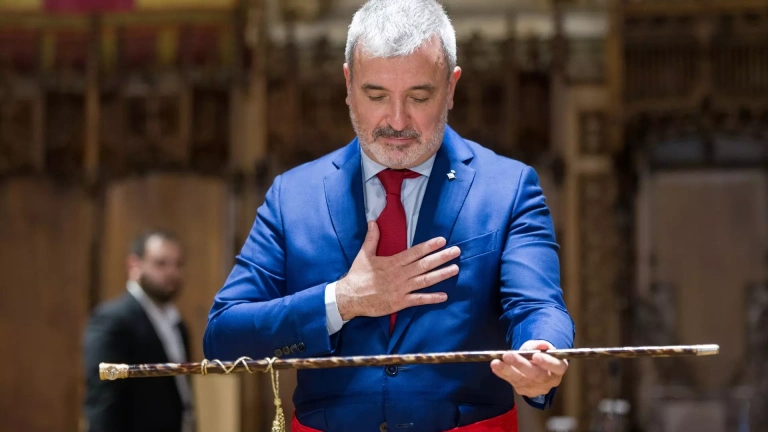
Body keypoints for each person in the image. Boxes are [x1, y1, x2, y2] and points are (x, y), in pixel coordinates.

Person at [204, 0, 574, 430]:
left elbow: (537, 306)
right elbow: (224, 336)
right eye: (376, 95)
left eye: (419, 96)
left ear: (451, 87)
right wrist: (342, 301)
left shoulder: (509, 187)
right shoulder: (293, 195)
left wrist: (539, 351)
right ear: (348, 84)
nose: (397, 121)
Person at [83, 230, 196, 432]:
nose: (172, 272)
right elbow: (103, 399)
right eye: (161, 264)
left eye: (178, 265)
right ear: (134, 265)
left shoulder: (179, 324)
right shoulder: (112, 320)